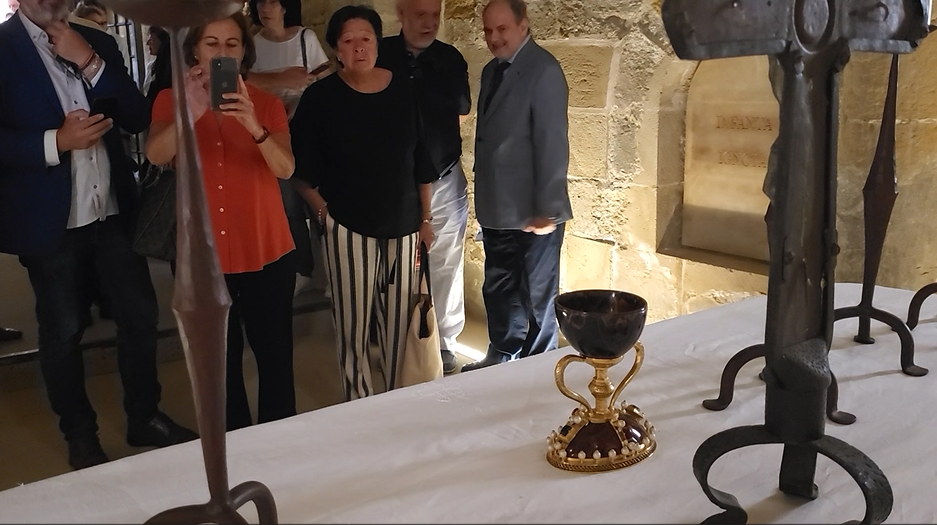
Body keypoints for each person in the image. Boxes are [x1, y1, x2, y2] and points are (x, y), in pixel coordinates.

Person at [0, 0, 197, 470]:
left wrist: (88, 60)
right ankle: (80, 433)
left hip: (111, 210)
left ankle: (144, 416)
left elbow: (135, 115)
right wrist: (55, 143)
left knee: (139, 317)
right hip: (49, 218)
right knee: (63, 330)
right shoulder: (2, 50)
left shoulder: (100, 43)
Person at [145, 11, 298, 431]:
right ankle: (234, 446)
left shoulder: (265, 105)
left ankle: (281, 439)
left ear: (244, 52)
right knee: (219, 365)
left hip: (266, 251)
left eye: (231, 45)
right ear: (194, 49)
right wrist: (190, 108)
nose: (221, 53)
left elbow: (285, 168)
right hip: (202, 259)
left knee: (275, 358)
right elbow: (157, 155)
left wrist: (252, 123)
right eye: (211, 44)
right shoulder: (169, 99)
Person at [290, 5, 437, 401]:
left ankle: (392, 398)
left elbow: (423, 163)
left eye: (366, 38)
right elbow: (298, 168)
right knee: (353, 326)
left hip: (405, 225)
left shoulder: (405, 90)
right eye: (348, 41)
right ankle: (358, 402)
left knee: (398, 326)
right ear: (336, 49)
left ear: (377, 42)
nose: (358, 48)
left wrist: (426, 218)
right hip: (348, 226)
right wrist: (323, 213)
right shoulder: (321, 98)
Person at [462, 0, 572, 373]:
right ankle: (501, 356)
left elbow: (552, 142)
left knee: (536, 294)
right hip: (497, 206)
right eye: (488, 30)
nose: (494, 38)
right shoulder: (492, 71)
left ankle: (539, 369)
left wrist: (548, 207)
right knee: (499, 287)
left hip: (533, 209)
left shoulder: (544, 70)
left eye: (502, 29)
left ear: (523, 25)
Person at [377, 0, 471, 375]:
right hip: (394, 180)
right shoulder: (381, 53)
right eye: (420, 15)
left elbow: (462, 106)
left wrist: (428, 79)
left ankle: (445, 343)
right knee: (396, 261)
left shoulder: (449, 58)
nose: (429, 23)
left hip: (444, 175)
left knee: (446, 259)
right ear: (401, 14)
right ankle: (398, 339)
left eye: (435, 16)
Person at [247, 0, 330, 297]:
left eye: (272, 2)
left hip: (305, 129)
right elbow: (248, 87)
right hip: (272, 133)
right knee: (288, 203)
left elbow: (321, 79)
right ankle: (302, 269)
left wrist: (297, 103)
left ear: (284, 7)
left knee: (320, 199)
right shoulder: (253, 44)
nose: (265, 8)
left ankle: (332, 269)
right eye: (261, 2)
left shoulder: (304, 38)